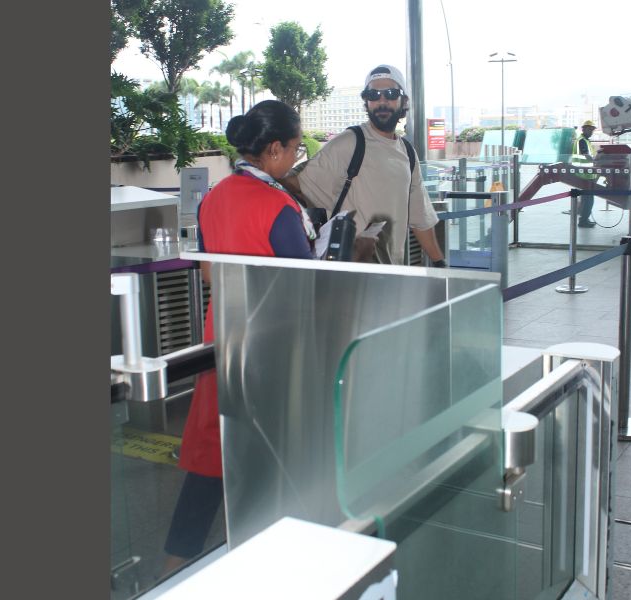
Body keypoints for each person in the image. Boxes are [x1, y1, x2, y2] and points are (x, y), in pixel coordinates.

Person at [162, 100, 314, 575]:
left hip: (223, 336)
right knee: (274, 453)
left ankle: (170, 572)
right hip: (273, 342)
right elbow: (306, 285)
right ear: (274, 149)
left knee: (212, 455)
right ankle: (270, 564)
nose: (296, 157)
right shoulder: (278, 205)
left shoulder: (215, 197)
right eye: (295, 149)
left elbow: (210, 273)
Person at [280, 64, 446, 267]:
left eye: (391, 94)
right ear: (366, 101)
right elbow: (294, 185)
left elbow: (421, 218)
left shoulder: (408, 153)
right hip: (351, 270)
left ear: (403, 101)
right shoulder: (350, 142)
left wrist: (439, 263)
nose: (382, 101)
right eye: (373, 95)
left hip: (392, 270)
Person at [574, 119, 598, 228]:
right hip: (583, 174)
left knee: (587, 199)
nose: (591, 131)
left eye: (592, 129)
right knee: (588, 199)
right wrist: (597, 160)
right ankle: (583, 221)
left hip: (587, 174)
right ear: (583, 129)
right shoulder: (582, 141)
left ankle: (584, 219)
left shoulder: (586, 141)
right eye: (589, 129)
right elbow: (586, 155)